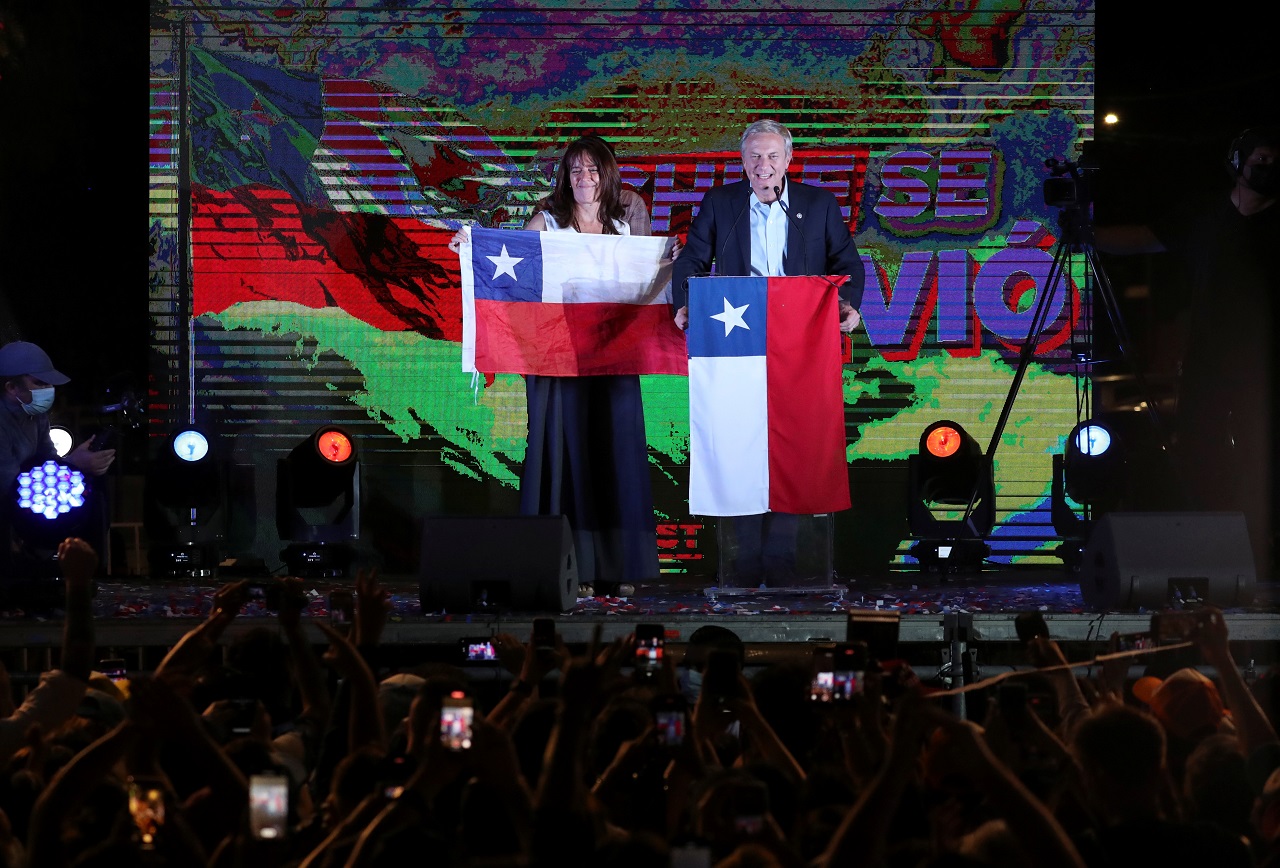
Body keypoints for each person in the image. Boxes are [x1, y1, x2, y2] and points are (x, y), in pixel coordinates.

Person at [450, 136, 677, 597]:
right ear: (565, 177)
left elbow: (647, 282)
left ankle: (617, 567)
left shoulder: (625, 224)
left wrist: (670, 262)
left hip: (613, 359)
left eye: (593, 170)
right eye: (576, 170)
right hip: (556, 362)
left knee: (614, 455)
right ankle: (565, 567)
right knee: (562, 459)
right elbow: (506, 261)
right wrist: (468, 247)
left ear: (607, 175)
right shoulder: (547, 221)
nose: (584, 179)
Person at [670, 119, 866, 585]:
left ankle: (781, 566)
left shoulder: (818, 205)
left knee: (793, 450)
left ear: (788, 161)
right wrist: (683, 305)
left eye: (772, 156)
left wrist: (848, 305)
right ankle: (740, 567)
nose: (763, 166)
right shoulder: (721, 204)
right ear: (742, 162)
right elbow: (693, 260)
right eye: (755, 157)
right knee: (740, 447)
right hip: (737, 347)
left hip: (799, 345)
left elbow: (847, 263)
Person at [1096, 126, 1279, 580]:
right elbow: (1144, 236)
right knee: (1202, 454)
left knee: (1262, 459)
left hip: (1264, 369)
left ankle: (1260, 555)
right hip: (1209, 365)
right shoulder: (1207, 216)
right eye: (1262, 159)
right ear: (1238, 162)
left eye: (1276, 161)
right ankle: (1213, 554)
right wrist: (1084, 232)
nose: (1268, 168)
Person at [0, 341, 115, 578]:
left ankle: (87, 571)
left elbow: (48, 459)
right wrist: (74, 464)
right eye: (40, 383)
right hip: (8, 505)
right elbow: (7, 483)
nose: (48, 389)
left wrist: (80, 466)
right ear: (12, 387)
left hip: (27, 500)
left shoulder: (37, 417)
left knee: (94, 492)